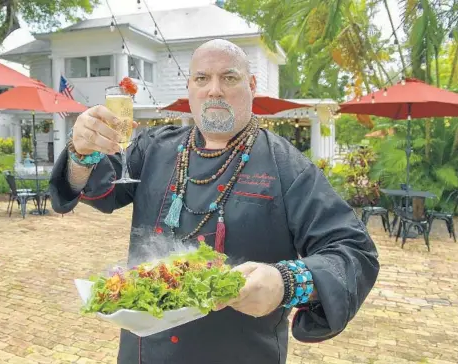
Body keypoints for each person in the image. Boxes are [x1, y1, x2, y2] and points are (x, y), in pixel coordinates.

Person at [49, 39, 380, 364]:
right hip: (144, 352)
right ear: (189, 87)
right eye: (202, 78)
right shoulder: (155, 148)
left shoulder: (288, 167)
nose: (214, 90)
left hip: (239, 352)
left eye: (229, 78)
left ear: (251, 85)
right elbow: (95, 188)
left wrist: (286, 282)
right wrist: (81, 152)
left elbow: (353, 252)